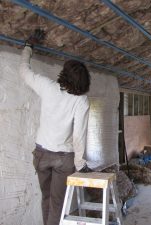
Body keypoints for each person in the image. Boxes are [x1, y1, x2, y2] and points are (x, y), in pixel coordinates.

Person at [20, 29, 92, 225]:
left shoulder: (47, 86)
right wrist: (81, 164)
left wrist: (28, 46)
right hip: (63, 159)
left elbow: (24, 71)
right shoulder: (81, 101)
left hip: (41, 154)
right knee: (57, 203)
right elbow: (79, 136)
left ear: (64, 75)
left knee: (46, 198)